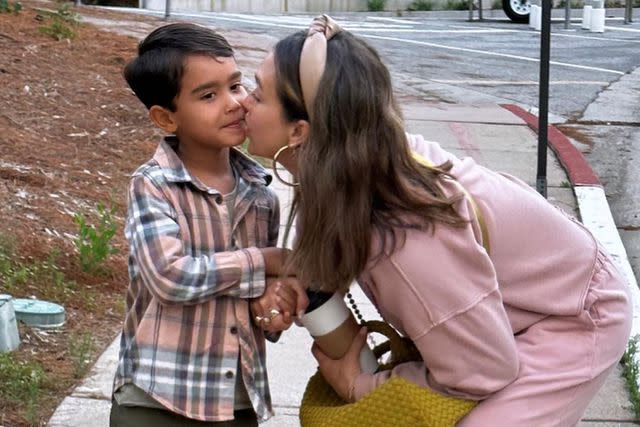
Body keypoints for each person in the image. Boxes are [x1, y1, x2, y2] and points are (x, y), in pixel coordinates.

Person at [240, 15, 633, 426]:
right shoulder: (350, 163)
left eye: (257, 93)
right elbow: (322, 264)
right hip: (499, 314)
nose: (242, 102)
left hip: (574, 313)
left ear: (300, 131)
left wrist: (361, 386)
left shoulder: (407, 239)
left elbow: (482, 371)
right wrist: (292, 284)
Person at [111, 23, 306, 426]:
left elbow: (255, 297)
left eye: (236, 86)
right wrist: (267, 259)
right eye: (208, 95)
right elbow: (171, 277)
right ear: (166, 117)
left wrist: (274, 303)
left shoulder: (261, 195)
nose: (234, 103)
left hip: (237, 401)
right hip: (156, 400)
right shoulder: (153, 186)